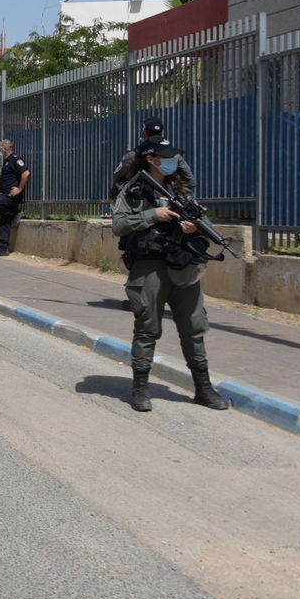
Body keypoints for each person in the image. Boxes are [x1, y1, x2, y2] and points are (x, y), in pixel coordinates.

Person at [111, 139, 228, 413]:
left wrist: (192, 229)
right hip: (150, 267)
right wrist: (154, 214)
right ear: (151, 159)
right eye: (166, 157)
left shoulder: (181, 190)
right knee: (148, 327)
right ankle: (140, 389)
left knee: (194, 327)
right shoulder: (134, 190)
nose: (172, 161)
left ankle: (203, 388)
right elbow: (119, 225)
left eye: (173, 157)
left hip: (183, 265)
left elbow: (203, 225)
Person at [111, 118, 197, 197]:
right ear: (161, 133)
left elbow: (117, 177)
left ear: (143, 132)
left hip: (138, 200)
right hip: (170, 199)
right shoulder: (175, 155)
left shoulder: (134, 155)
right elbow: (190, 181)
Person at [0, 139, 29, 257]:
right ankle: (3, 248)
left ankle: (15, 212)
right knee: (4, 221)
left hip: (11, 195)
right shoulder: (7, 161)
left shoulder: (15, 159)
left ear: (5, 148)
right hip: (5, 194)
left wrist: (19, 189)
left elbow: (25, 174)